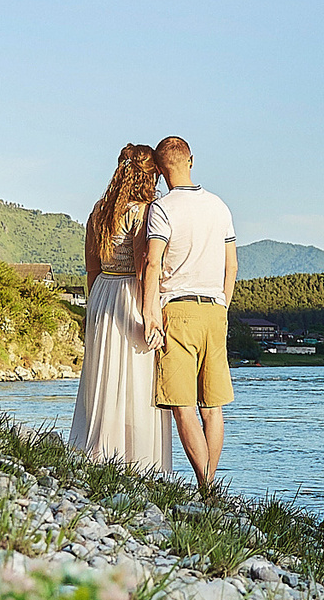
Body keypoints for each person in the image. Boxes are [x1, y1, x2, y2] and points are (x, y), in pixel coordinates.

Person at [139, 135, 236, 492]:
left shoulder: (162, 209)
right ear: (191, 160)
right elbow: (232, 265)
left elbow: (153, 262)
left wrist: (150, 312)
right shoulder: (220, 206)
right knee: (212, 406)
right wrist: (223, 304)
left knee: (182, 405)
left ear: (161, 171)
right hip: (215, 311)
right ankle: (211, 489)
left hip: (178, 310)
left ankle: (207, 486)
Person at [67, 143, 172, 472]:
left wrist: (94, 306)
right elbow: (144, 268)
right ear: (149, 174)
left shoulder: (99, 211)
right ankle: (136, 460)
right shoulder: (144, 212)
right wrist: (150, 313)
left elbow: (91, 268)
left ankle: (96, 449)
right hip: (130, 293)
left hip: (102, 295)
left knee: (103, 376)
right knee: (135, 381)